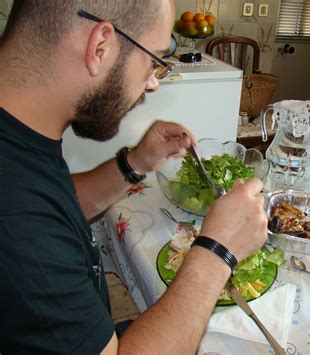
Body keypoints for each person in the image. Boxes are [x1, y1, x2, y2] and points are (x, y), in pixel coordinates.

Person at [0, 1, 268, 353]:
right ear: (100, 47)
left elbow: (57, 208)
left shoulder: (20, 136)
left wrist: (135, 163)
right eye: (153, 61)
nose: (154, 84)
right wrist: (217, 251)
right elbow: (30, 223)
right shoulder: (15, 212)